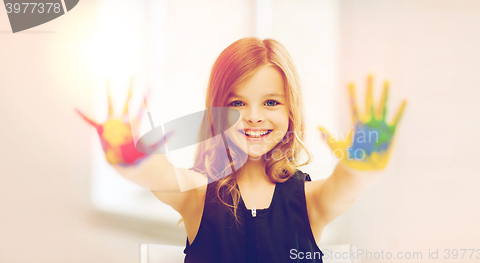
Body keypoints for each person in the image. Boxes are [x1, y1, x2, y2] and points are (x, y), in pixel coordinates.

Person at [77, 37, 406, 263]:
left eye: (271, 102)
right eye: (237, 103)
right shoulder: (196, 193)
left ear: (291, 111)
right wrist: (130, 156)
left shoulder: (311, 201)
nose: (253, 116)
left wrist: (362, 162)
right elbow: (157, 173)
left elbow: (348, 185)